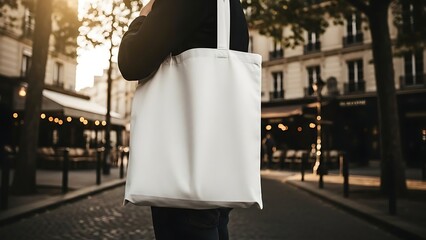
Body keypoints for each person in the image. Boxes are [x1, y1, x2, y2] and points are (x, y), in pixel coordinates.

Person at [117, 0, 249, 239]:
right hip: (218, 166)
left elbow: (132, 61)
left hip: (181, 165)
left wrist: (142, 18)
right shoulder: (231, 5)